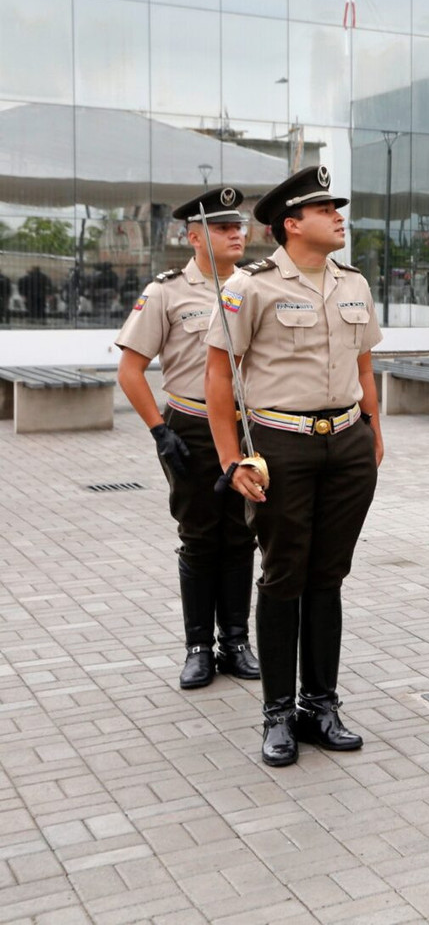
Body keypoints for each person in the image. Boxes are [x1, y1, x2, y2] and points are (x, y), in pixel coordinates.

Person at [204, 165, 385, 767]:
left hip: (347, 444)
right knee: (284, 575)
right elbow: (216, 377)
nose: (339, 216)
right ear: (291, 223)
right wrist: (232, 461)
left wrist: (374, 433)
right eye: (325, 209)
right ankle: (278, 713)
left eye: (338, 208)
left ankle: (320, 706)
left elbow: (364, 366)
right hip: (281, 446)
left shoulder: (354, 282)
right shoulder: (250, 286)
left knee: (327, 577)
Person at [115, 186, 259, 690]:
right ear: (194, 237)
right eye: (223, 228)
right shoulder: (166, 292)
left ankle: (236, 641)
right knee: (199, 537)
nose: (237, 234)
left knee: (242, 534)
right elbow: (130, 370)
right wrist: (160, 431)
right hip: (192, 428)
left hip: (247, 427)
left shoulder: (254, 286)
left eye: (239, 226)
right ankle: (199, 647)